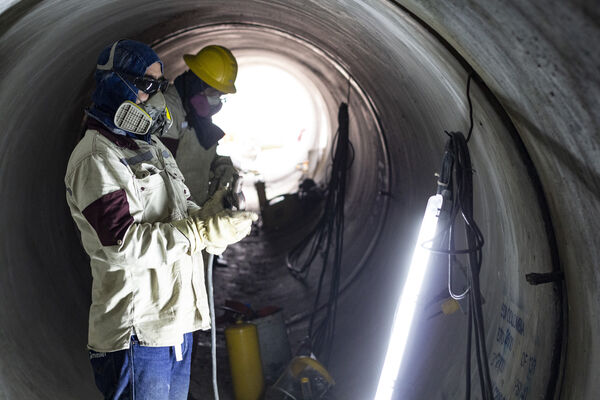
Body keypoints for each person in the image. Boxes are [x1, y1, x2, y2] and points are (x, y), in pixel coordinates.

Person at [64, 39, 257, 399]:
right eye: (146, 85)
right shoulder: (95, 158)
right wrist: (200, 232)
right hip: (138, 333)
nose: (153, 98)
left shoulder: (148, 146)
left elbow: (180, 211)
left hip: (174, 324)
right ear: (114, 84)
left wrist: (213, 217)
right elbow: (124, 245)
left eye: (159, 86)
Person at [161, 45, 239, 208]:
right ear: (198, 84)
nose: (217, 100)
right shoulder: (168, 110)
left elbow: (197, 155)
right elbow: (161, 169)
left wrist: (221, 165)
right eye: (215, 93)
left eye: (221, 95)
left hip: (194, 208)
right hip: (173, 211)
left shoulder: (196, 115)